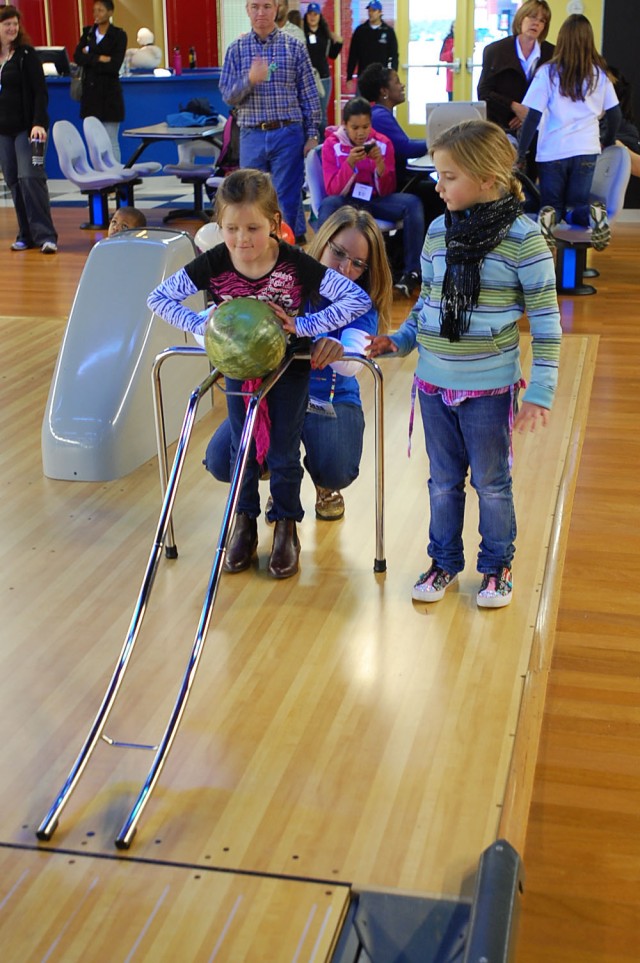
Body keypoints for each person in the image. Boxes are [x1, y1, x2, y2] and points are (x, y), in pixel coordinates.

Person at [367, 119, 561, 609]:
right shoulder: (437, 230)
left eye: (449, 176)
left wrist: (540, 392)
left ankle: (496, 568)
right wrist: (401, 341)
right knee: (444, 482)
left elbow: (546, 323)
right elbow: (427, 302)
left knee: (492, 484)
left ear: (489, 179)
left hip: (489, 389)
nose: (438, 185)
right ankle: (443, 563)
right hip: (433, 383)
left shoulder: (523, 239)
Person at [147, 168, 371, 579]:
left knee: (284, 452)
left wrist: (302, 326)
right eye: (231, 228)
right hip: (239, 369)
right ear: (220, 227)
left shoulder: (295, 264)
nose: (242, 239)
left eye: (253, 227)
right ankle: (244, 522)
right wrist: (205, 323)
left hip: (288, 369)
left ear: (274, 223)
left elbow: (355, 299)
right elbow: (159, 298)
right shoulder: (214, 262)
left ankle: (286, 525)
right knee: (242, 449)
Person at [205, 206, 393, 522]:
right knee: (221, 461)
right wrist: (214, 322)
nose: (345, 269)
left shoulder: (361, 302)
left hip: (329, 400)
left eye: (358, 264)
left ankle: (323, 484)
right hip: (274, 396)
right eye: (338, 253)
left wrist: (334, 346)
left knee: (336, 469)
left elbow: (352, 362)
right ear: (322, 242)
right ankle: (278, 479)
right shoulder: (282, 278)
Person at [517, 14, 621, 252]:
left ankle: (548, 217)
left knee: (552, 205)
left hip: (553, 151)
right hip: (586, 150)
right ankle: (593, 214)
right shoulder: (599, 74)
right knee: (575, 208)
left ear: (561, 40)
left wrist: (521, 153)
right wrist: (605, 141)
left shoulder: (548, 72)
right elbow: (615, 116)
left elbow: (532, 116)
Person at [219, 0, 321, 238]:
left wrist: (312, 134)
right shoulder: (236, 49)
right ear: (247, 10)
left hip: (287, 132)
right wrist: (250, 80)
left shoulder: (294, 47)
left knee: (286, 196)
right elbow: (227, 96)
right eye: (255, 7)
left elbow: (309, 95)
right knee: (250, 197)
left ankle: (286, 250)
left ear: (277, 9)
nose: (261, 12)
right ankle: (258, 248)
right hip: (251, 134)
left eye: (266, 6)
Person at [318, 96, 425, 297]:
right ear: (345, 125)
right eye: (355, 127)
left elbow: (389, 189)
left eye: (365, 127)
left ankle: (412, 272)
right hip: (346, 200)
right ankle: (319, 268)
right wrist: (349, 164)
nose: (360, 133)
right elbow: (332, 189)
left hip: (375, 200)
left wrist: (380, 166)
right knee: (327, 204)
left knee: (412, 203)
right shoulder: (331, 145)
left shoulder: (383, 144)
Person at [357, 61, 445, 233]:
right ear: (384, 91)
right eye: (397, 81)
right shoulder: (380, 115)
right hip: (390, 187)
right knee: (437, 194)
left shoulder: (378, 113)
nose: (402, 85)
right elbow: (406, 148)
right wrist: (440, 141)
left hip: (393, 182)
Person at [0, 5, 58, 254]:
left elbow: (40, 93)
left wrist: (38, 123)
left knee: (30, 179)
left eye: (14, 23)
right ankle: (26, 234)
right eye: (6, 25)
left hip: (27, 129)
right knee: (13, 181)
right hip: (4, 131)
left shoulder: (26, 55)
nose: (12, 28)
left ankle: (46, 235)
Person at [477, 0, 553, 181]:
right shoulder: (495, 51)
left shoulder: (552, 53)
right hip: (502, 125)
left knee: (532, 184)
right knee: (504, 181)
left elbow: (556, 96)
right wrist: (515, 108)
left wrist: (529, 114)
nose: (536, 23)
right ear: (520, 19)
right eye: (532, 17)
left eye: (542, 20)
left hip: (539, 128)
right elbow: (484, 92)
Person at [73, 0, 127, 162]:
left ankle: (115, 179)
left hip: (110, 96)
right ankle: (100, 180)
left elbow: (114, 65)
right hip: (90, 96)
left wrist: (89, 58)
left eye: (101, 10)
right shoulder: (88, 33)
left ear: (110, 13)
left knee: (110, 141)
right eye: (94, 10)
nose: (96, 14)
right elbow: (77, 57)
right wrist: (99, 58)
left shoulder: (118, 35)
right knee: (94, 142)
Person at [303, 3, 343, 139]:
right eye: (310, 14)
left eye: (316, 14)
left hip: (323, 78)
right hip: (306, 78)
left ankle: (322, 146)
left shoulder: (325, 34)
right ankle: (309, 142)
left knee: (321, 113)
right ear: (306, 16)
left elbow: (332, 55)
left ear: (320, 16)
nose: (313, 17)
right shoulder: (301, 33)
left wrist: (338, 43)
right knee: (307, 112)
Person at [346, 1, 398, 87]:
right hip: (364, 77)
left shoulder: (388, 31)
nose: (370, 13)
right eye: (369, 10)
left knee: (382, 100)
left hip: (381, 77)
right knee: (361, 100)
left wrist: (392, 75)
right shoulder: (360, 31)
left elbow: (393, 56)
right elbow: (353, 56)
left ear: (380, 12)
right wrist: (349, 77)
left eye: (374, 10)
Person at [439, 24, 454, 102]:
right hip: (451, 75)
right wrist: (451, 53)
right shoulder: (448, 40)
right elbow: (441, 57)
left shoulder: (467, 40)